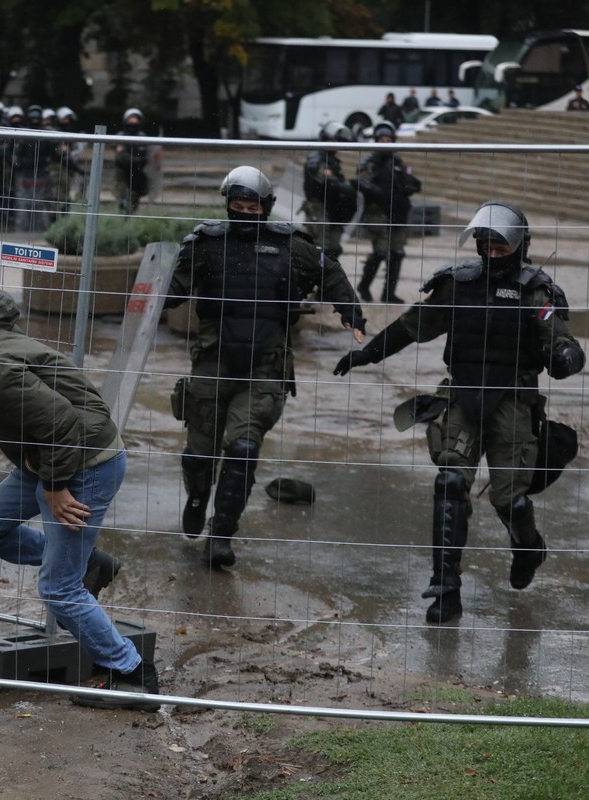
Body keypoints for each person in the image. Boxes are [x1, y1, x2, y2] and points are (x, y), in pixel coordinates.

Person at [0, 260, 160, 711]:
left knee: (58, 588)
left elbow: (60, 424)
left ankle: (132, 673)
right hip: (47, 460)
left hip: (83, 463)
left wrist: (57, 489)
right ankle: (90, 564)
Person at [333, 201, 585, 624]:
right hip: (462, 398)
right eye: (485, 246)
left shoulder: (536, 291)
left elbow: (560, 337)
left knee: (511, 501)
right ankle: (446, 591)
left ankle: (528, 548)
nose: (491, 254)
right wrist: (367, 353)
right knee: (450, 483)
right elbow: (411, 326)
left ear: (520, 247)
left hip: (513, 402)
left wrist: (565, 355)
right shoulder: (458, 285)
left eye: (500, 248)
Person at [165, 167, 366, 567]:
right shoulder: (206, 243)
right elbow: (170, 287)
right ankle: (199, 495)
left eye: (251, 206)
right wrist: (152, 298)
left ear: (266, 207)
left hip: (265, 366)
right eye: (236, 207)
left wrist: (350, 311)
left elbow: (330, 272)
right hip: (212, 362)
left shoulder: (291, 244)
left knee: (242, 449)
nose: (243, 213)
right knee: (199, 454)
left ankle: (220, 535)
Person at [354, 121, 421, 304]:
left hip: (398, 213)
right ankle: (364, 285)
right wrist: (377, 192)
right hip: (378, 213)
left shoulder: (398, 163)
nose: (386, 142)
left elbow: (410, 179)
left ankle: (388, 293)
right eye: (382, 139)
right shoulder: (370, 162)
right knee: (381, 252)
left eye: (389, 139)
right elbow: (360, 181)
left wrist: (409, 185)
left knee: (397, 253)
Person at [301, 121, 358, 262]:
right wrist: (344, 187)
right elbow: (324, 178)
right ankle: (307, 283)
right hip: (318, 208)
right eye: (333, 139)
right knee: (319, 250)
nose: (336, 142)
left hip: (333, 209)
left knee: (333, 250)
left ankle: (326, 282)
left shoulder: (332, 160)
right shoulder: (317, 157)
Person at [113, 108, 150, 213]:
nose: (133, 122)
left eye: (135, 119)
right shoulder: (120, 136)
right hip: (122, 173)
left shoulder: (142, 137)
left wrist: (135, 160)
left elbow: (144, 157)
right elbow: (120, 157)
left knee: (133, 199)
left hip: (137, 173)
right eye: (131, 119)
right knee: (123, 199)